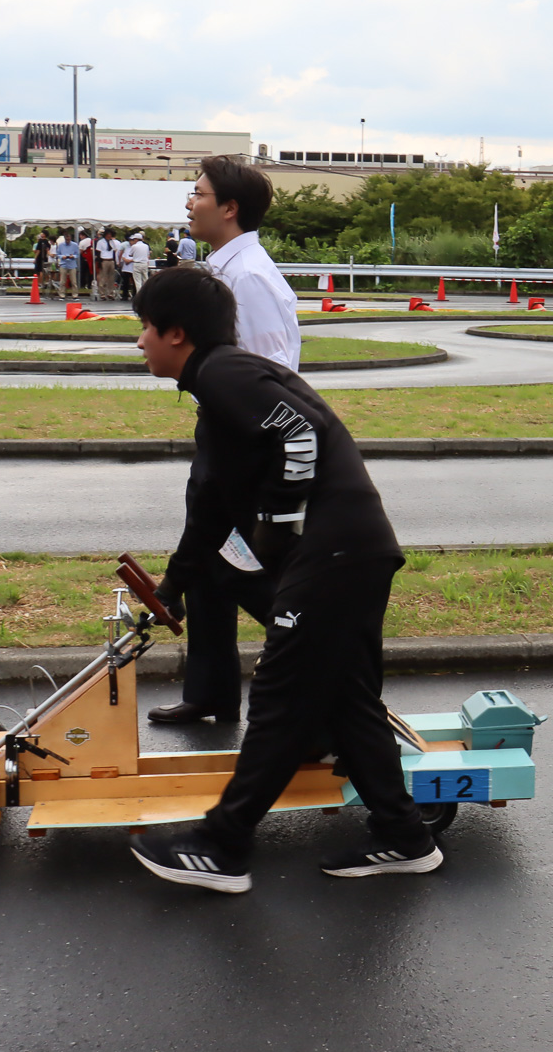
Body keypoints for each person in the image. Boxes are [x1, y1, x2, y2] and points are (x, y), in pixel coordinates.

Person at [124, 266, 439, 891]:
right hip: (349, 553)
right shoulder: (217, 393)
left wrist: (277, 527)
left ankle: (222, 845)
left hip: (336, 555)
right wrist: (174, 586)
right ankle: (405, 836)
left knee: (281, 697)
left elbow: (300, 435)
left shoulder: (226, 373)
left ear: (177, 334)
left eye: (145, 329)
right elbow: (209, 511)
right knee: (345, 699)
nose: (139, 342)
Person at [147, 156, 303, 726]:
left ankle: (317, 658)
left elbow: (268, 373)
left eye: (198, 193)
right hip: (224, 428)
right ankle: (211, 692)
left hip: (247, 441)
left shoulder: (249, 278)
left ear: (229, 208)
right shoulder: (226, 268)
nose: (190, 203)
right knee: (215, 561)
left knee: (239, 566)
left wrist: (243, 451)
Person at [56, 229, 81, 297]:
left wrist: (73, 256)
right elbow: (58, 254)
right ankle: (62, 294)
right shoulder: (61, 245)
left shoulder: (75, 245)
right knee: (62, 281)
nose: (67, 239)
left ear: (70, 238)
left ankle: (75, 294)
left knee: (73, 281)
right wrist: (62, 256)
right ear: (64, 238)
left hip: (72, 264)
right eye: (66, 238)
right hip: (63, 264)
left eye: (69, 238)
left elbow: (78, 254)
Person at [95, 228, 119, 298]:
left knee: (111, 278)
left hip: (111, 260)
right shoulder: (100, 242)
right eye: (108, 234)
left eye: (110, 235)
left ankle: (110, 293)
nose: (109, 236)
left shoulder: (112, 242)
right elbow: (98, 252)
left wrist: (115, 261)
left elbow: (114, 252)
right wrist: (99, 262)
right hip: (104, 260)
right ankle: (102, 293)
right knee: (103, 277)